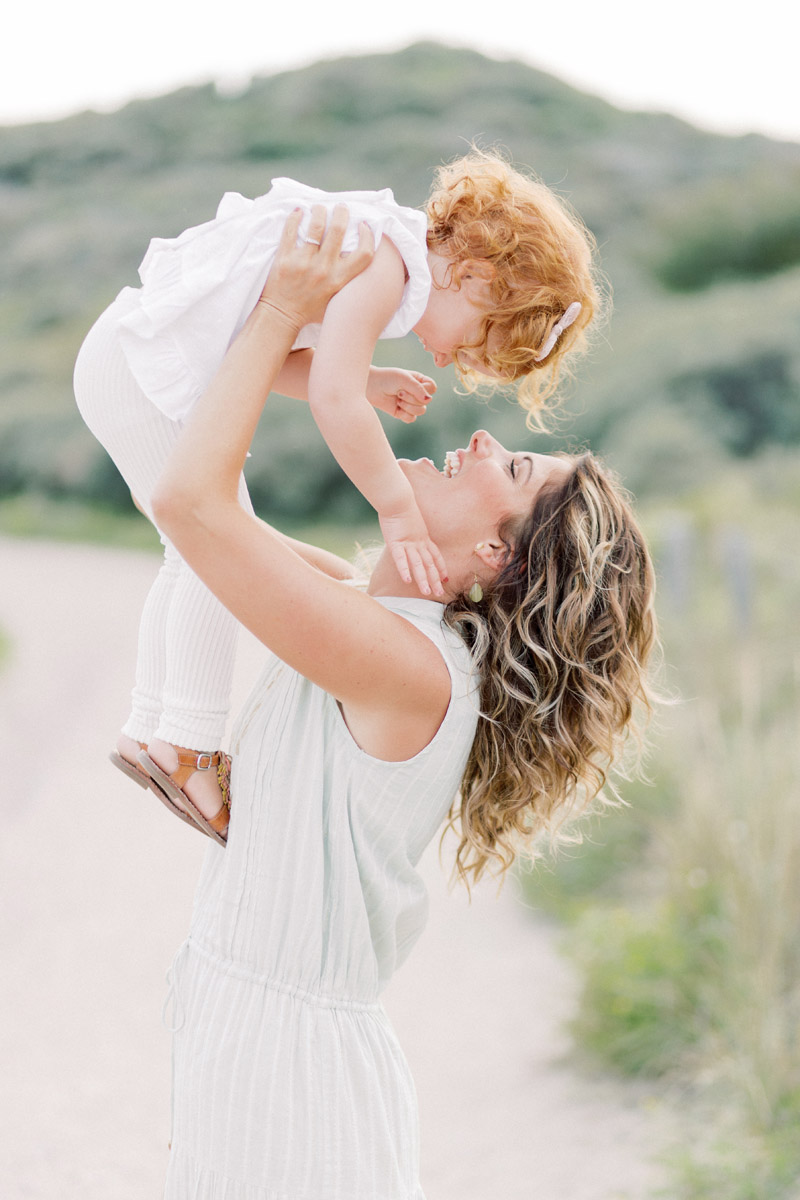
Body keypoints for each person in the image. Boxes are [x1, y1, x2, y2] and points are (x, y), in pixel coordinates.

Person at [150, 207, 655, 1198]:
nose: (477, 437)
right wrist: (282, 338)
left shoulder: (407, 669)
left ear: (493, 558)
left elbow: (190, 503)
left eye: (508, 469)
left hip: (290, 1072)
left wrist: (282, 313)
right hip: (255, 1034)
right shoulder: (372, 624)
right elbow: (195, 513)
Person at [73, 150, 602, 836]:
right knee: (206, 547)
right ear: (473, 278)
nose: (447, 361)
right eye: (470, 345)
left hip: (125, 355)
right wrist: (397, 510)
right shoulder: (388, 263)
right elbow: (331, 399)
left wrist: (367, 379)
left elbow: (265, 358)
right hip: (142, 367)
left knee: (192, 551)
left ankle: (151, 729)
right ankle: (187, 745)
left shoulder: (382, 253)